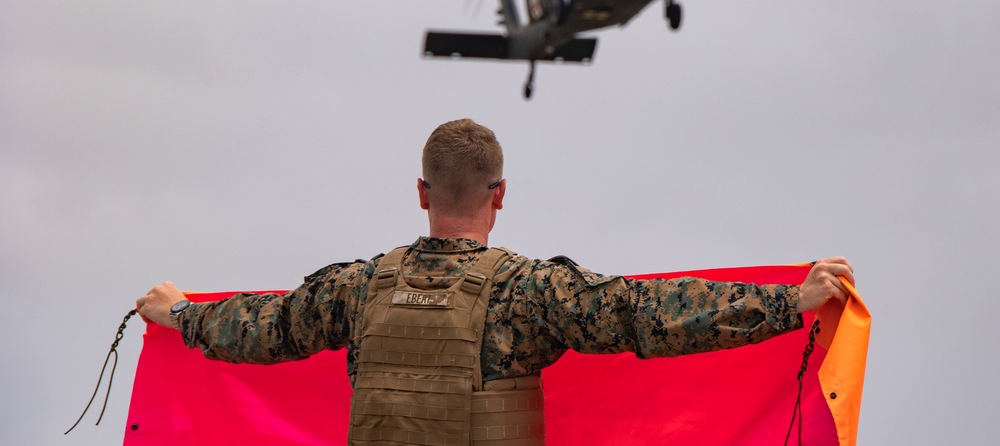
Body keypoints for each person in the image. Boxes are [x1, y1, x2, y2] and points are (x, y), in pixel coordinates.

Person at [137, 118, 854, 445]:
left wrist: (178, 313)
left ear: (421, 191)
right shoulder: (530, 291)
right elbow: (649, 313)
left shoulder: (357, 289)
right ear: (500, 193)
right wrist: (790, 302)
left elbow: (263, 328)